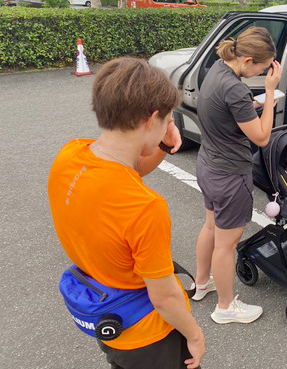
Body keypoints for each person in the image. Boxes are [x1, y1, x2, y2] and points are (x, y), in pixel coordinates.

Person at [48, 57, 204, 369]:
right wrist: (194, 335)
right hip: (150, 337)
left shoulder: (71, 156)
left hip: (107, 319)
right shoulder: (145, 207)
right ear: (152, 118)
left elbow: (125, 172)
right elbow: (164, 298)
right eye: (166, 119)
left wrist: (162, 143)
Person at [193, 27, 282, 324]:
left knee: (210, 227)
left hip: (208, 164)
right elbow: (261, 137)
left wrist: (251, 104)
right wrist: (269, 94)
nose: (263, 71)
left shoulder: (218, 70)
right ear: (246, 60)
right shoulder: (234, 88)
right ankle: (225, 307)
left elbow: (229, 109)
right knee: (226, 244)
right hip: (230, 175)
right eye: (262, 66)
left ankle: (202, 284)